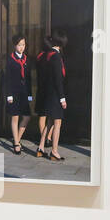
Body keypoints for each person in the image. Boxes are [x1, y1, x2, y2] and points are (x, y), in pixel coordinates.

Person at [40, 29, 68, 161]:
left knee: (50, 122)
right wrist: (62, 98)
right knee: (57, 123)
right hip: (56, 95)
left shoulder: (48, 54)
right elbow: (58, 79)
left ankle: (40, 147)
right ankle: (54, 151)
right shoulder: (56, 56)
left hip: (49, 93)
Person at [3, 33, 32, 154]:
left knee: (26, 117)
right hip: (14, 93)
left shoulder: (26, 59)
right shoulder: (10, 59)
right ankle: (16, 143)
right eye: (19, 45)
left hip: (24, 93)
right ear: (15, 45)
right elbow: (8, 78)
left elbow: (29, 78)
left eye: (23, 45)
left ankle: (17, 139)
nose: (22, 47)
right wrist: (9, 95)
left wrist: (30, 94)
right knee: (15, 117)